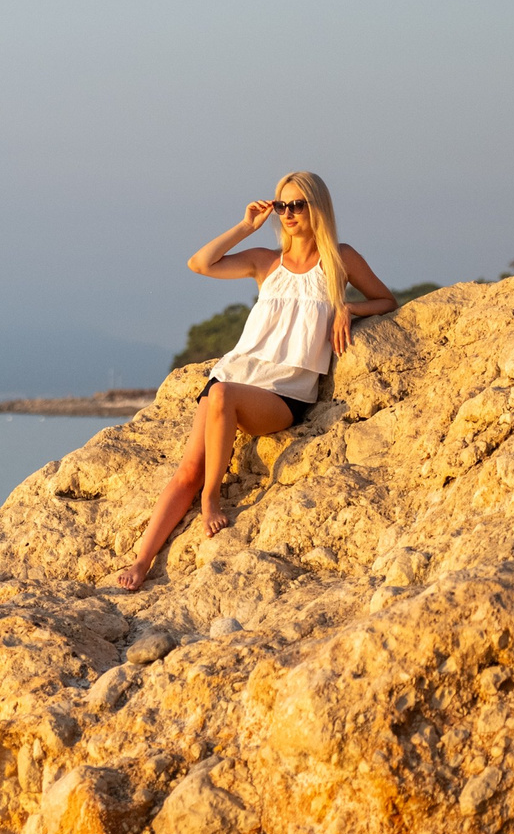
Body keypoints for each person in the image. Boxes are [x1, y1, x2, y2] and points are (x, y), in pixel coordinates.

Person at [111, 172, 397, 590]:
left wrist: (347, 309)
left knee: (223, 398)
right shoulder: (266, 261)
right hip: (234, 376)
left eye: (298, 204)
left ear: (317, 207)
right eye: (282, 205)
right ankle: (141, 561)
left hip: (284, 394)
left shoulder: (339, 259)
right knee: (189, 466)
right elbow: (200, 263)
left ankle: (212, 498)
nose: (289, 213)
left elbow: (387, 300)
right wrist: (246, 226)